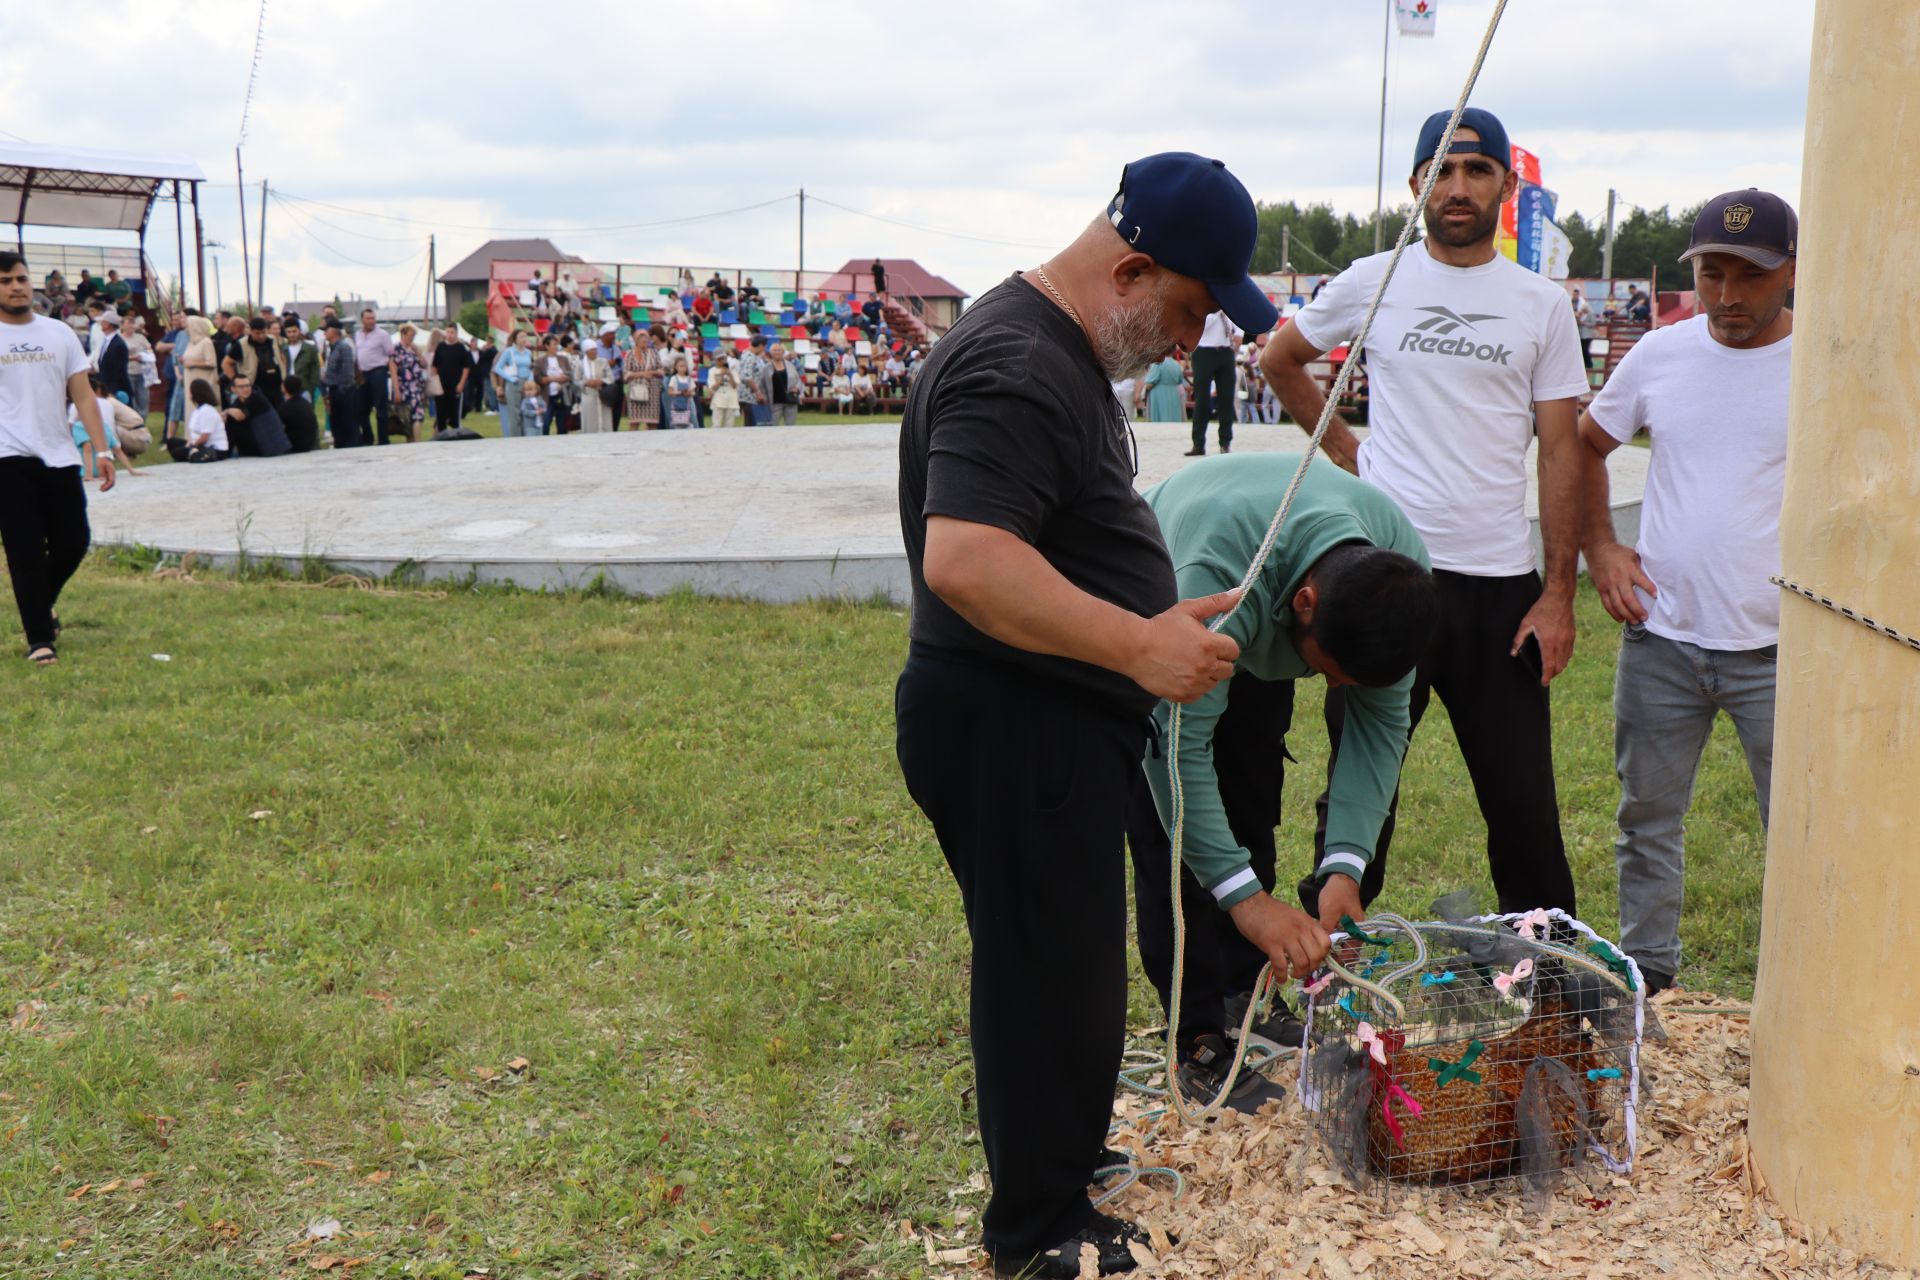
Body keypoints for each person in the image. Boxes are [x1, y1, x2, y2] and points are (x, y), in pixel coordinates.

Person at [895, 152, 1306, 1279]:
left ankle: (1062, 1162)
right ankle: (1036, 1230)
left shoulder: (1051, 350)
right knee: (1039, 973)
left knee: (1070, 962)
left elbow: (1039, 541)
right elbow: (968, 560)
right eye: (1186, 310)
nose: (1191, 342)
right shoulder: (1021, 364)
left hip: (1045, 717)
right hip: (1013, 722)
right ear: (1131, 268)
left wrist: (1142, 608)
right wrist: (1138, 640)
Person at [1260, 107, 1591, 919]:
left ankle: (1547, 988)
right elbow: (1281, 359)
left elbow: (1560, 453)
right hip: (1384, 577)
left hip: (1501, 590)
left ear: (1506, 188)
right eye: (1441, 170)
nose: (1457, 187)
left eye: (1477, 171)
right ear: (1415, 185)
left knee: (1523, 810)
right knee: (1358, 794)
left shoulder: (1540, 305)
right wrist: (1349, 451)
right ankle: (1331, 973)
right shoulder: (1376, 279)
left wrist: (1557, 593)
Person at [1128, 453, 1436, 1107]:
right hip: (1165, 598)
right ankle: (1199, 1037)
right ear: (1305, 604)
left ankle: (1248, 997)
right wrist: (1249, 904)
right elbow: (1176, 760)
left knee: (1252, 791)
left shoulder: (1397, 567)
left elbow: (1381, 729)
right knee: (1170, 840)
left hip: (1258, 623)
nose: (1334, 690)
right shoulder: (1221, 580)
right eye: (1328, 672)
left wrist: (1344, 868)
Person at [1579, 189, 1797, 996]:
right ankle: (1651, 980)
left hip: (1782, 646)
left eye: (1750, 275)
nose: (1729, 297)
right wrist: (1601, 546)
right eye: (1712, 274)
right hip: (1663, 638)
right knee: (1645, 821)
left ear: (1792, 274)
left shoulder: (1822, 364)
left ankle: (1800, 989)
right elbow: (1586, 444)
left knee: (1800, 831)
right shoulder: (1660, 355)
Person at [0, 251, 112, 666]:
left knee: (73, 541)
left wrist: (102, 450)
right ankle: (40, 639)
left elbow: (82, 395)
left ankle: (39, 602)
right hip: (7, 458)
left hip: (59, 455)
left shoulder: (59, 333)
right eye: (6, 281)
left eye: (21, 278)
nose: (16, 287)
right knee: (24, 550)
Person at [1185, 310, 1240, 455]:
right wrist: (1218, 311)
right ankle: (1198, 443)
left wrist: (1239, 334)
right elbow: (1202, 324)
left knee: (1227, 399)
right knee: (1202, 399)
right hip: (1203, 350)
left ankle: (1225, 443)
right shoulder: (1207, 304)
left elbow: (1239, 317)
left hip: (1226, 350)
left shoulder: (1228, 303)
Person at [221, 374, 291, 457]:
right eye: (241, 387)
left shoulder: (256, 398)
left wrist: (227, 411)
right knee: (230, 419)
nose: (246, 389)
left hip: (271, 446)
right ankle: (225, 451)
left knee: (231, 421)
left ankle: (225, 453)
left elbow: (240, 416)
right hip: (260, 441)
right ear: (233, 389)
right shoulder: (238, 402)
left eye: (248, 385)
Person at [353, 309, 395, 444]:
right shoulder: (358, 335)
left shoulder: (382, 334)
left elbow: (391, 354)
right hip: (362, 374)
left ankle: (383, 439)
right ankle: (367, 437)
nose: (371, 321)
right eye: (368, 319)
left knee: (381, 408)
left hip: (378, 372)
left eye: (373, 318)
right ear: (362, 320)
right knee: (360, 409)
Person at [320, 319, 363, 447]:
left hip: (343, 391)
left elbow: (348, 372)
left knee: (348, 421)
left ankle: (351, 445)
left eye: (326, 331)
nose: (324, 334)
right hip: (333, 389)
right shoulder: (331, 348)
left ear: (334, 331)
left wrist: (342, 389)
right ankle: (340, 444)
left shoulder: (344, 347)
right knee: (336, 422)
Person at [179, 315, 220, 439]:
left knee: (204, 411)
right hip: (190, 381)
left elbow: (211, 362)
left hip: (203, 382)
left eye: (188, 327)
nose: (186, 330)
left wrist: (193, 363)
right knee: (192, 410)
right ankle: (191, 438)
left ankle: (205, 438)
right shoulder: (191, 343)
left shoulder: (206, 342)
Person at [491, 329, 535, 439]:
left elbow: (530, 368)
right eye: (521, 337)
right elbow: (497, 368)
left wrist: (530, 379)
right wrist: (510, 378)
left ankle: (526, 436)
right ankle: (515, 438)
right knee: (514, 413)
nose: (524, 339)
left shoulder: (528, 352)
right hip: (514, 383)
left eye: (525, 336)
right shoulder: (509, 352)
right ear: (515, 339)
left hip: (526, 383)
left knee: (526, 410)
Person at [177, 378, 229, 462]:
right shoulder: (199, 409)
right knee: (172, 443)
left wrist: (192, 445)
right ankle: (192, 454)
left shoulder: (207, 411)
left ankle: (193, 455)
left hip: (215, 449)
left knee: (178, 452)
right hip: (201, 445)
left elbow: (205, 437)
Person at [431, 322, 471, 432]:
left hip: (455, 385)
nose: (450, 335)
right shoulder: (440, 347)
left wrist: (461, 383)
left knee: (455, 414)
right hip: (441, 386)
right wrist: (435, 383)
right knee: (441, 414)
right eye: (448, 332)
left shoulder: (461, 348)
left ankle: (456, 433)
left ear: (456, 333)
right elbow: (435, 366)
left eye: (452, 332)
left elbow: (466, 368)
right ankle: (441, 435)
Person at [623, 326, 664, 430]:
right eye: (641, 338)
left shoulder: (654, 353)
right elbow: (626, 374)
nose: (644, 340)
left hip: (652, 391)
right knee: (634, 422)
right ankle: (633, 444)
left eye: (646, 338)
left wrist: (652, 372)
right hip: (636, 392)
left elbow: (661, 371)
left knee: (652, 423)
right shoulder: (630, 354)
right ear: (636, 340)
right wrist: (642, 374)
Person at [93, 310, 134, 407]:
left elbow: (118, 371)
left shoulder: (117, 344)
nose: (100, 324)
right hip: (105, 385)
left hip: (113, 388)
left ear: (108, 324)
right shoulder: (107, 341)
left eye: (103, 322)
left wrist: (113, 391)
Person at [577, 335, 616, 434]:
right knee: (590, 423)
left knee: (605, 422)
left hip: (603, 397)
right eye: (591, 350)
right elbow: (576, 381)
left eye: (595, 350)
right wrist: (587, 382)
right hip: (588, 397)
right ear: (586, 352)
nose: (594, 352)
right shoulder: (580, 364)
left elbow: (611, 378)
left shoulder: (603, 362)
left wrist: (601, 381)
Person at [279, 375, 321, 452]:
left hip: (295, 445)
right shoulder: (306, 403)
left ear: (285, 388)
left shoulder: (285, 407)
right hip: (309, 444)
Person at [283, 320, 321, 402]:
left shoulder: (310, 349)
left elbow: (315, 371)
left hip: (304, 389)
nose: (292, 334)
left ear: (299, 331)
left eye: (294, 331)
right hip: (287, 390)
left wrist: (310, 389)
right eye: (289, 332)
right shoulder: (283, 349)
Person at [1144, 352, 1186, 422]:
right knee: (1173, 416)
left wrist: (1145, 390)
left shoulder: (1158, 363)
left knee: (1160, 418)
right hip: (1174, 392)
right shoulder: (1176, 364)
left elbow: (1150, 382)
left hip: (1159, 393)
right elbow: (1179, 380)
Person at [767, 343, 801, 425]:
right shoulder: (766, 367)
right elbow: (762, 383)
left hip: (790, 399)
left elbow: (798, 380)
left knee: (790, 425)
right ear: (771, 353)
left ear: (783, 352)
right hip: (774, 401)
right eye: (774, 350)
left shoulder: (790, 365)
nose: (777, 352)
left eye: (779, 350)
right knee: (772, 425)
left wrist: (796, 388)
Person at [664, 357, 695, 429]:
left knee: (688, 425)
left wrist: (689, 393)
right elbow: (670, 392)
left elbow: (693, 392)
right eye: (680, 366)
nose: (683, 368)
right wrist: (680, 392)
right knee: (677, 426)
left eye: (684, 366)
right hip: (676, 407)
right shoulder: (673, 379)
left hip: (687, 407)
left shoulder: (689, 379)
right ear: (676, 367)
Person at [1572, 288, 1597, 370]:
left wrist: (1584, 323)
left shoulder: (1590, 314)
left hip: (1587, 334)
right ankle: (1584, 364)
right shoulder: (1582, 315)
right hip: (1582, 334)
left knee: (1585, 349)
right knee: (1582, 349)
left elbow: (1593, 323)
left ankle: (1589, 364)